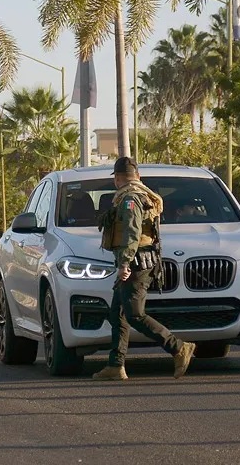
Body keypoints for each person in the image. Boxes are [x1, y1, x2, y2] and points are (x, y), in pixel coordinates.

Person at [94, 157, 196, 381]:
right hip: (143, 260)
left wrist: (124, 264)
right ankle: (115, 364)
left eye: (116, 178)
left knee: (135, 315)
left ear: (118, 179)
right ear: (138, 176)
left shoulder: (129, 198)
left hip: (136, 263)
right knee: (117, 314)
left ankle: (178, 347)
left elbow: (131, 233)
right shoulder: (144, 194)